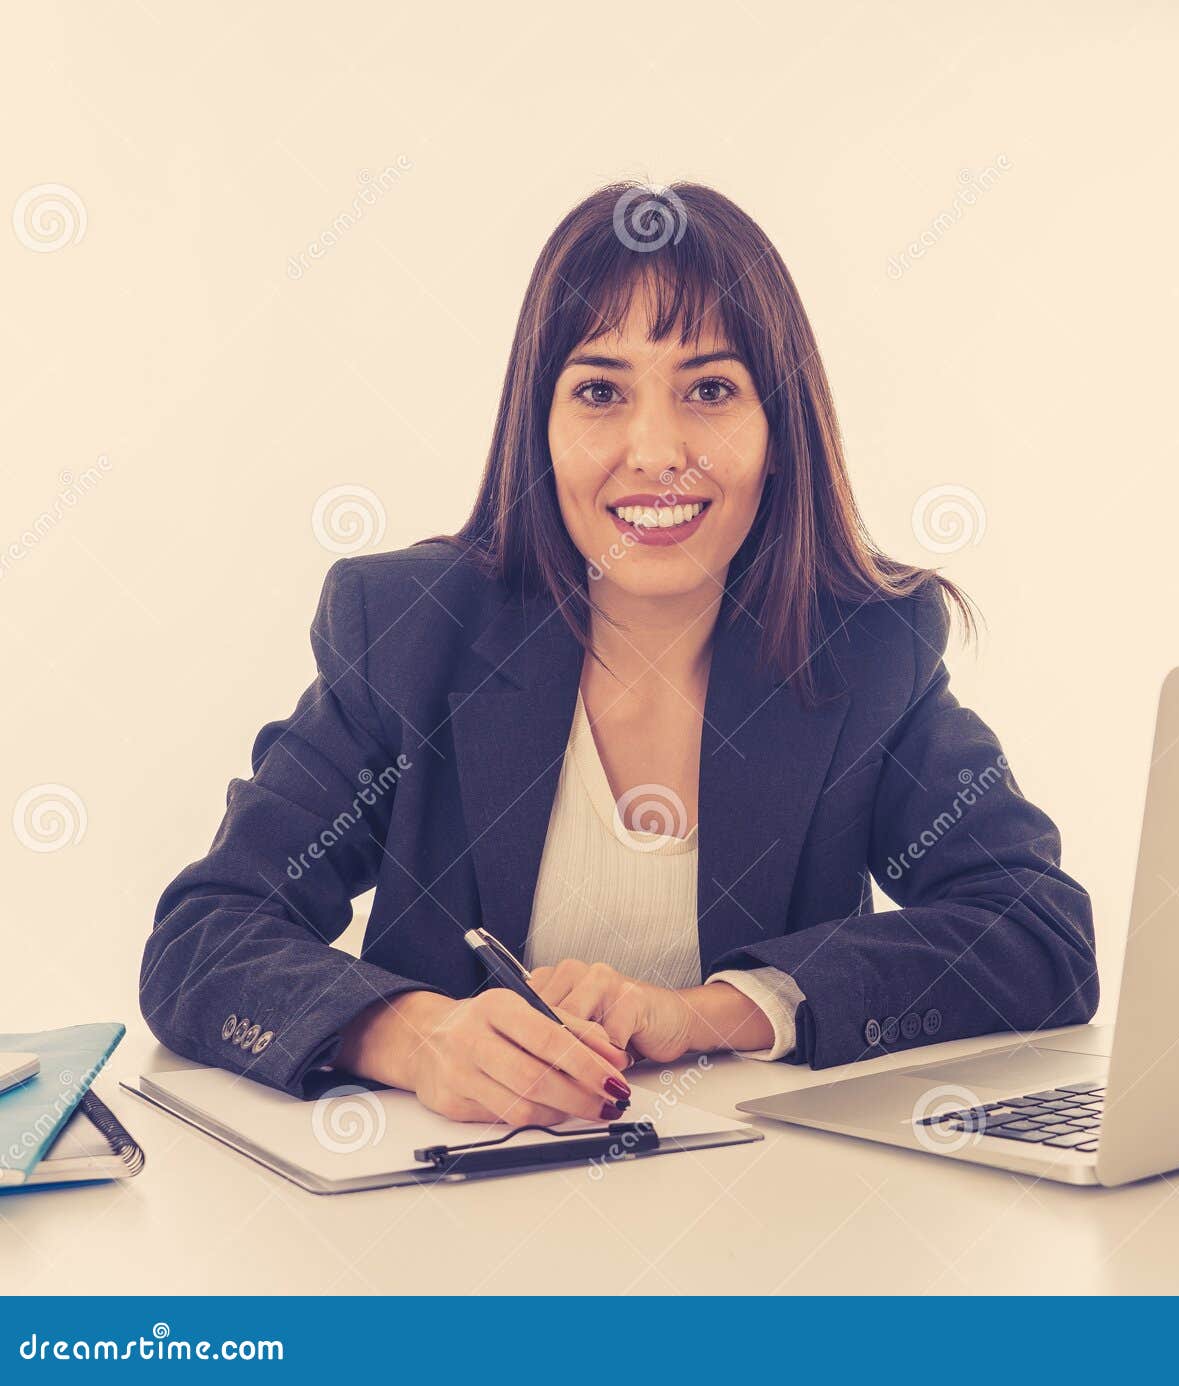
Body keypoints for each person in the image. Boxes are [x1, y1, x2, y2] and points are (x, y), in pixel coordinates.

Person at [139, 181, 1098, 1129]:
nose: (654, 450)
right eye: (600, 391)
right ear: (539, 426)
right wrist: (413, 1034)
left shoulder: (869, 648)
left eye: (710, 390)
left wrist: (705, 1013)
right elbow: (204, 936)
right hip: (445, 1219)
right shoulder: (409, 629)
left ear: (779, 432)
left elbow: (1036, 931)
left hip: (767, 1220)